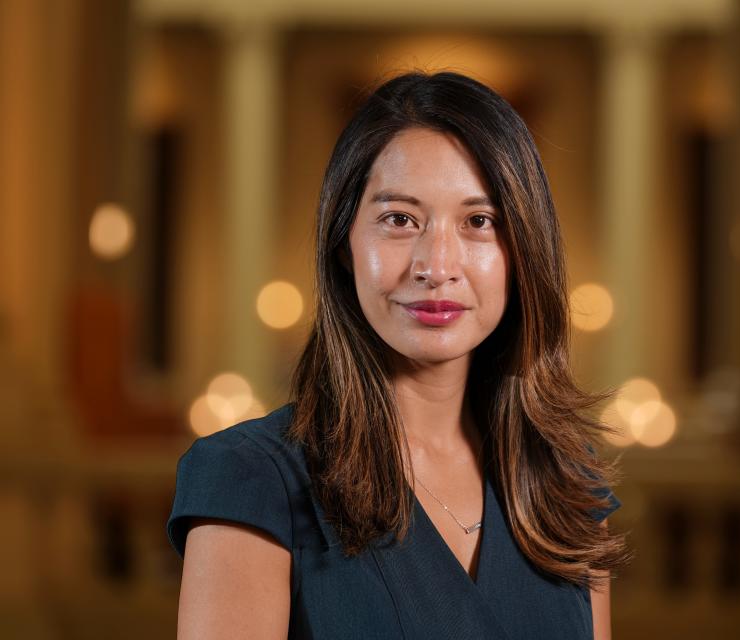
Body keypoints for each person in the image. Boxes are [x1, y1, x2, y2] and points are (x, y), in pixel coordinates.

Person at [167, 71, 631, 639]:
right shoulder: (250, 479)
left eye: (478, 222)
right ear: (344, 244)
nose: (437, 266)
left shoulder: (565, 480)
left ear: (522, 249)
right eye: (399, 220)